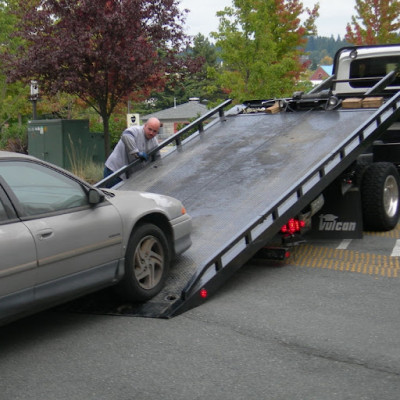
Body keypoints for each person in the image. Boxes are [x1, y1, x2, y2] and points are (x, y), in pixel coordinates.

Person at [103, 117, 161, 188]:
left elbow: (158, 159)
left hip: (128, 175)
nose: (151, 133)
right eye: (149, 129)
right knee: (111, 196)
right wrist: (136, 152)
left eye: (154, 131)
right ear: (145, 125)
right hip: (115, 170)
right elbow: (126, 135)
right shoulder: (136, 130)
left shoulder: (154, 142)